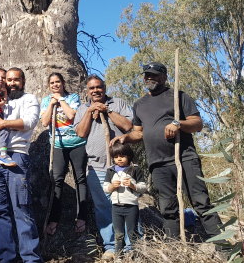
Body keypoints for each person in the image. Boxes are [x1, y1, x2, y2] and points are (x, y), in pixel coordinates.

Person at [112, 62, 222, 240]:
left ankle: (222, 244)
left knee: (200, 201)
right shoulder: (140, 104)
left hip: (184, 158)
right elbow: (139, 132)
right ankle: (173, 243)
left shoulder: (178, 97)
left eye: (154, 75)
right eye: (146, 75)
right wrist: (126, 138)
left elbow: (197, 124)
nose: (149, 78)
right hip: (157, 163)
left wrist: (178, 124)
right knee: (168, 206)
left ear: (164, 77)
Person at [0, 68, 43, 263]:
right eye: (9, 79)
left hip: (17, 155)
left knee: (21, 208)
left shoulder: (29, 99)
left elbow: (29, 122)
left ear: (23, 81)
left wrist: (3, 124)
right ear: (3, 81)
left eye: (16, 79)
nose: (12, 83)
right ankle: (5, 258)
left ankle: (30, 258)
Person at [74, 75, 133, 261]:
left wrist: (107, 111)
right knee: (102, 208)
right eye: (91, 88)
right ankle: (111, 246)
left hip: (121, 167)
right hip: (96, 167)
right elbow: (81, 133)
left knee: (125, 204)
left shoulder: (118, 103)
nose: (95, 91)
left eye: (98, 87)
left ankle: (131, 246)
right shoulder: (83, 108)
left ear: (104, 88)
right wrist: (90, 112)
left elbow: (128, 126)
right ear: (87, 91)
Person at [39, 72, 86, 235]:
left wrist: (61, 100)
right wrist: (52, 104)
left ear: (63, 83)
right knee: (57, 180)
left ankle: (82, 217)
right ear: (49, 85)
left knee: (80, 179)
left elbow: (72, 116)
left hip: (77, 144)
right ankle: (54, 218)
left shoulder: (73, 98)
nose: (55, 85)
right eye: (52, 83)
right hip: (58, 145)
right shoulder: (46, 101)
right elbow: (45, 122)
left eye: (57, 82)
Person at [103, 142, 146, 255]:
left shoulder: (135, 169)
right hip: (116, 207)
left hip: (131, 206)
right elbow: (105, 188)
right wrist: (112, 186)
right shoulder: (111, 170)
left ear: (129, 156)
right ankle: (118, 255)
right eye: (116, 157)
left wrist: (133, 185)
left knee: (132, 232)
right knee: (118, 233)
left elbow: (143, 187)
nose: (119, 159)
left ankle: (135, 253)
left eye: (122, 156)